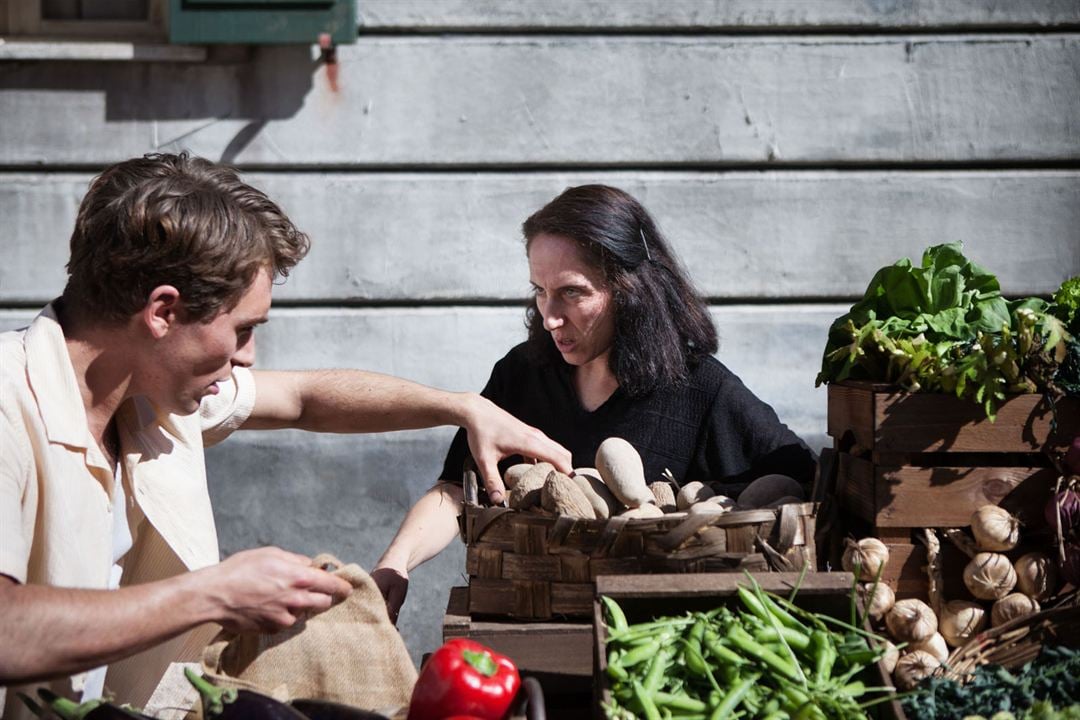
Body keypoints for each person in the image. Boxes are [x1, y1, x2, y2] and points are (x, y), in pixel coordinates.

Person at [0, 153, 571, 718]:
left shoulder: (152, 387)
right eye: (243, 330)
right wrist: (213, 593)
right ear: (162, 312)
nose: (247, 359)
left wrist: (463, 408)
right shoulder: (8, 404)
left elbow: (306, 398)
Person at [373, 184, 817, 621]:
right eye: (540, 290)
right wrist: (396, 561)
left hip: (656, 636)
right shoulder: (522, 375)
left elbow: (801, 480)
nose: (549, 317)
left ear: (629, 289)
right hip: (534, 622)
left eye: (572, 292)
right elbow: (454, 489)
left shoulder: (701, 388)